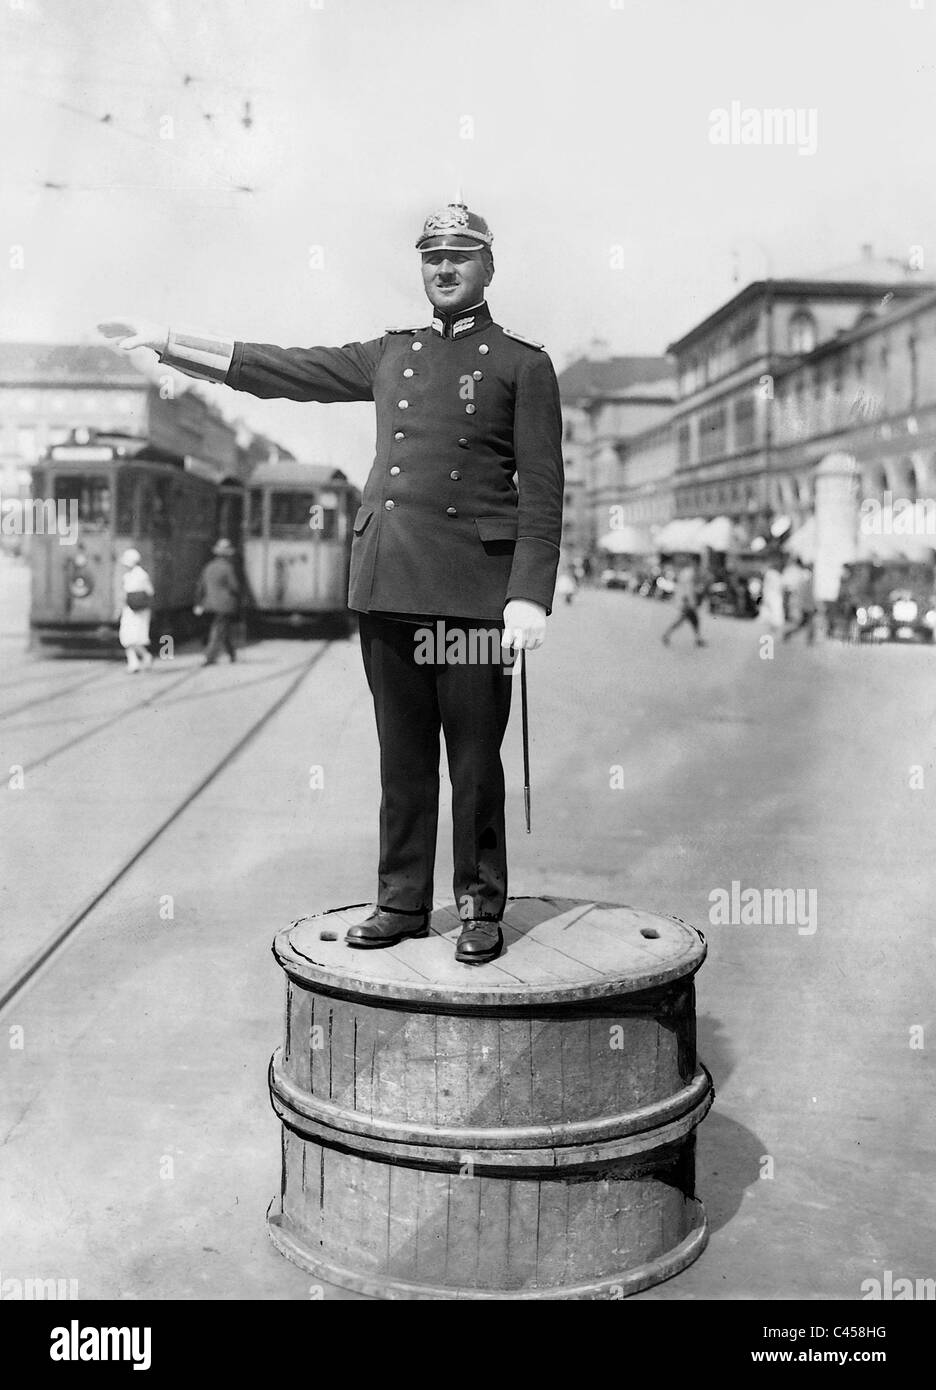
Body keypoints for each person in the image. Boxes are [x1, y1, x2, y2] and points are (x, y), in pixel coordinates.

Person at [99, 196, 563, 966]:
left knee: (476, 762)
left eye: (458, 257)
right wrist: (172, 344)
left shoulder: (522, 364)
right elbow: (289, 370)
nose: (443, 269)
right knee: (400, 757)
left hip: (475, 597)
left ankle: (480, 903)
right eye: (431, 258)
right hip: (388, 583)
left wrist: (528, 592)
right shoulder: (392, 354)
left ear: (487, 266)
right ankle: (403, 900)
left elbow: (543, 489)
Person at [196, 538, 241, 665]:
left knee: (222, 629)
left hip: (209, 604)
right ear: (228, 555)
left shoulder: (208, 567)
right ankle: (209, 657)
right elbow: (235, 586)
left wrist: (199, 603)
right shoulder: (228, 568)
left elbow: (201, 586)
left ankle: (232, 654)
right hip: (225, 605)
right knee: (218, 630)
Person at [118, 547, 154, 673]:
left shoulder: (137, 575)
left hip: (136, 610)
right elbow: (150, 592)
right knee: (129, 637)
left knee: (132, 638)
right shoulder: (138, 574)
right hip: (133, 610)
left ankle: (144, 657)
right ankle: (134, 662)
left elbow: (147, 591)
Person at [661, 559, 706, 647]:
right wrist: (686, 600)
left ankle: (698, 639)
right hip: (686, 602)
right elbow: (686, 588)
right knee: (686, 620)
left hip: (687, 601)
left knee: (692, 620)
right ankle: (666, 635)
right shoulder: (689, 574)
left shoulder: (689, 573)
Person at [782, 558, 816, 644]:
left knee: (804, 623)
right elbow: (806, 593)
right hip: (807, 606)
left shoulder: (809, 578)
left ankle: (790, 634)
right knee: (808, 623)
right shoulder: (807, 578)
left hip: (808, 605)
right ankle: (809, 639)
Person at [759, 560, 786, 635]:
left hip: (773, 594)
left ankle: (774, 625)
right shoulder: (775, 574)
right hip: (774, 594)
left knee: (774, 609)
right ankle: (774, 625)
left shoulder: (770, 574)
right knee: (775, 609)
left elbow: (771, 586)